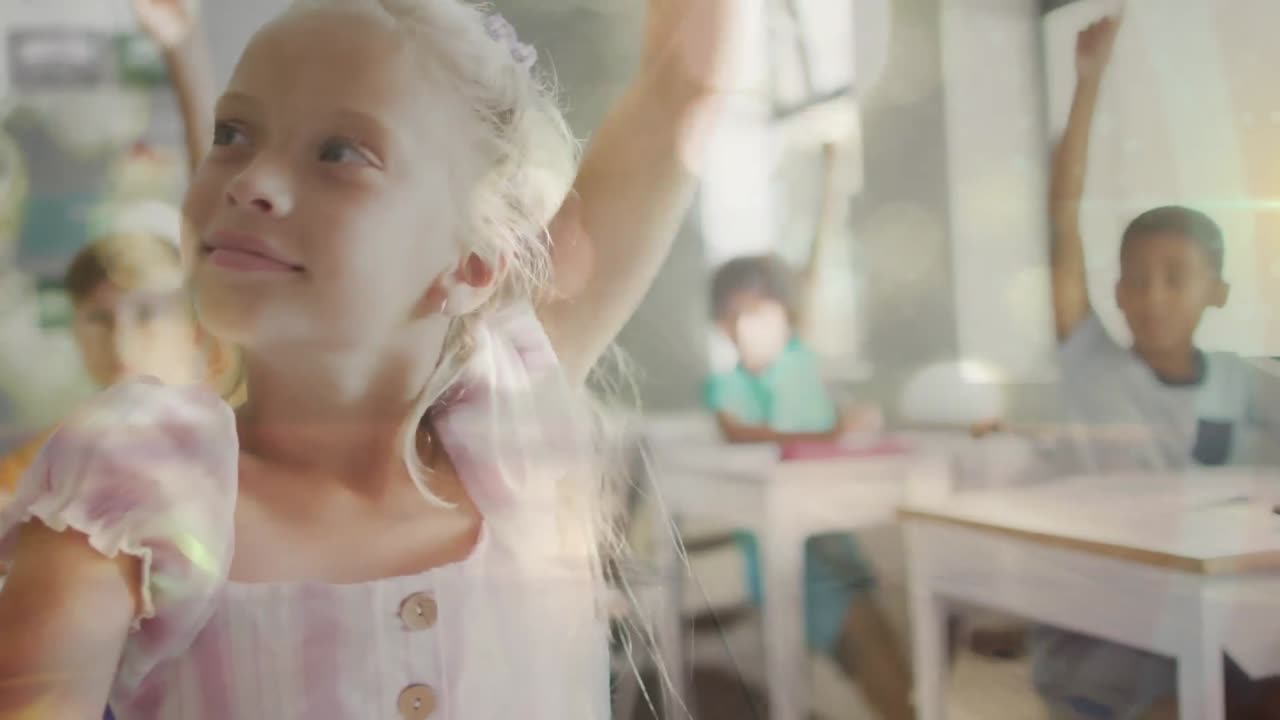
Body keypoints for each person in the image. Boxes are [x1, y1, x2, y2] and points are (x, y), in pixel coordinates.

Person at [0, 0, 739, 716]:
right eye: (232, 133)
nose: (250, 180)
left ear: (473, 263)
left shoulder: (511, 417)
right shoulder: (139, 480)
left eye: (340, 152)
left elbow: (683, 88)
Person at [1029, 14, 1280, 720]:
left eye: (1176, 276)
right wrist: (1087, 84)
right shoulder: (1091, 360)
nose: (1152, 295)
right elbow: (1063, 220)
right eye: (1136, 277)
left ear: (1219, 291)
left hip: (1214, 622)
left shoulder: (1246, 383)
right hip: (1104, 643)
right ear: (1113, 290)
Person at [704, 254, 913, 720]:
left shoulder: (801, 364)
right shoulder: (727, 389)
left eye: (759, 312)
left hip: (839, 548)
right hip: (790, 563)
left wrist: (850, 425)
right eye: (733, 316)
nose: (746, 327)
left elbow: (811, 278)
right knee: (884, 671)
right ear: (720, 326)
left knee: (897, 654)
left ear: (787, 317)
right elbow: (738, 432)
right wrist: (832, 434)